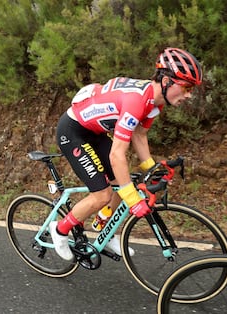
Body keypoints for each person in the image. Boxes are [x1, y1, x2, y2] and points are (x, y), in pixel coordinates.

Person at [50, 47, 203, 261]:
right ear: (167, 81)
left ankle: (105, 228)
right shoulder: (137, 102)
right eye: (186, 87)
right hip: (73, 131)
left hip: (96, 131)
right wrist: (133, 199)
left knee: (122, 181)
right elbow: (116, 155)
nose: (189, 95)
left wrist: (151, 168)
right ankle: (59, 229)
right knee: (103, 194)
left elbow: (139, 135)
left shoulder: (154, 102)